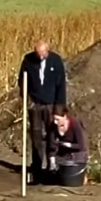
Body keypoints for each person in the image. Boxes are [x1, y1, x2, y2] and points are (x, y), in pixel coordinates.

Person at [17, 40, 67, 174]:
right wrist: (27, 100)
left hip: (50, 104)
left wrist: (59, 108)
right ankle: (37, 165)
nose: (40, 57)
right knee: (36, 134)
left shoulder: (56, 61)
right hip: (35, 104)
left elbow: (61, 85)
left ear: (47, 51)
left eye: (42, 53)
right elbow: (22, 81)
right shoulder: (28, 60)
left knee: (52, 134)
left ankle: (52, 161)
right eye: (37, 54)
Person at [47, 106, 88, 185]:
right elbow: (51, 145)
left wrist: (69, 145)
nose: (55, 122)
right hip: (63, 155)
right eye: (54, 119)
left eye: (58, 119)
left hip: (76, 154)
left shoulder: (74, 124)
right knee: (56, 166)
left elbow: (81, 145)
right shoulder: (53, 126)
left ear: (64, 117)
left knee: (73, 166)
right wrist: (52, 159)